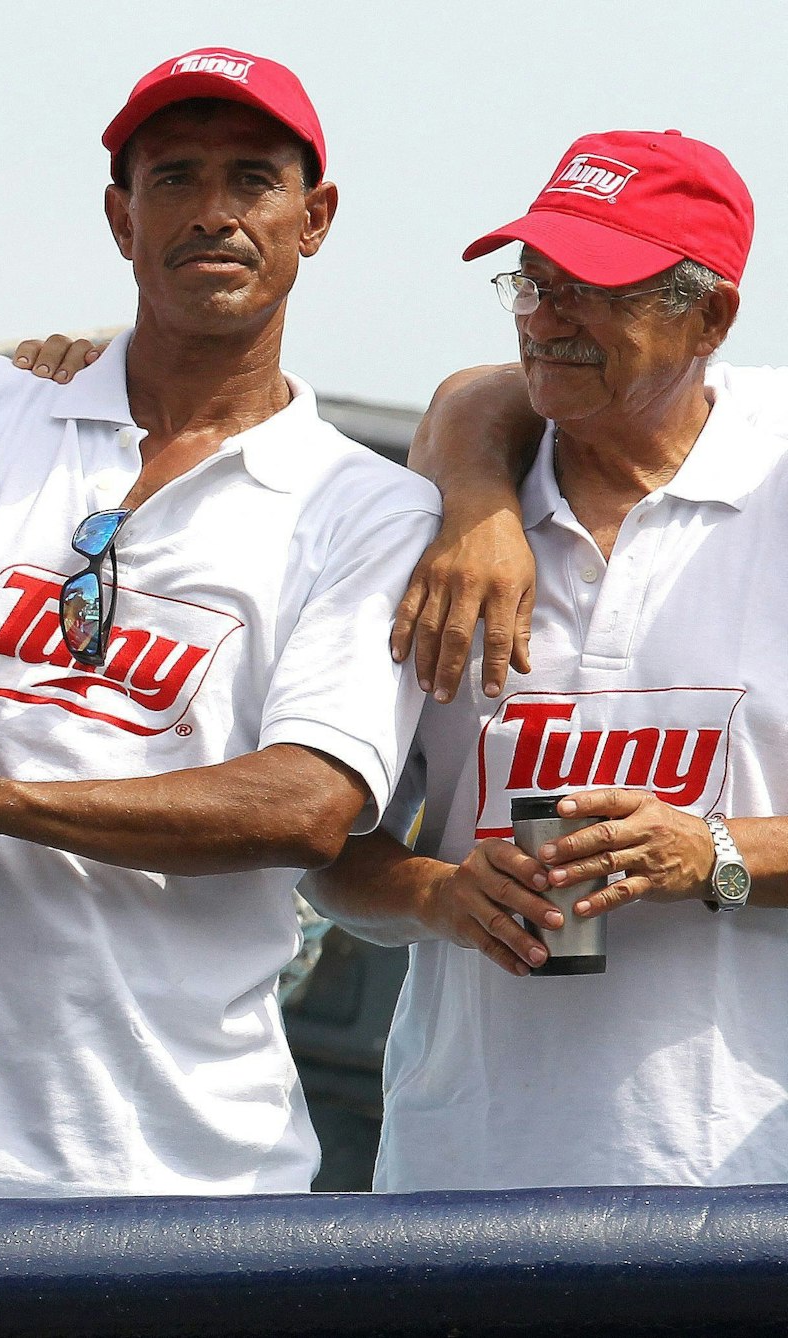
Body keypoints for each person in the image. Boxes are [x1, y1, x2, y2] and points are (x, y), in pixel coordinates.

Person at [0, 48, 440, 1199]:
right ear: (120, 218)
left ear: (313, 217)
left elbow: (309, 805)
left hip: (197, 1181)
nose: (212, 213)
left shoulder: (369, 507)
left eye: (251, 180)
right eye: (172, 178)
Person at [309, 130, 788, 1190]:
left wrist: (713, 851)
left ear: (708, 317)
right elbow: (326, 845)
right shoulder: (419, 529)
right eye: (533, 281)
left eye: (597, 288)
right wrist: (437, 895)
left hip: (746, 1205)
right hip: (457, 1193)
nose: (546, 316)